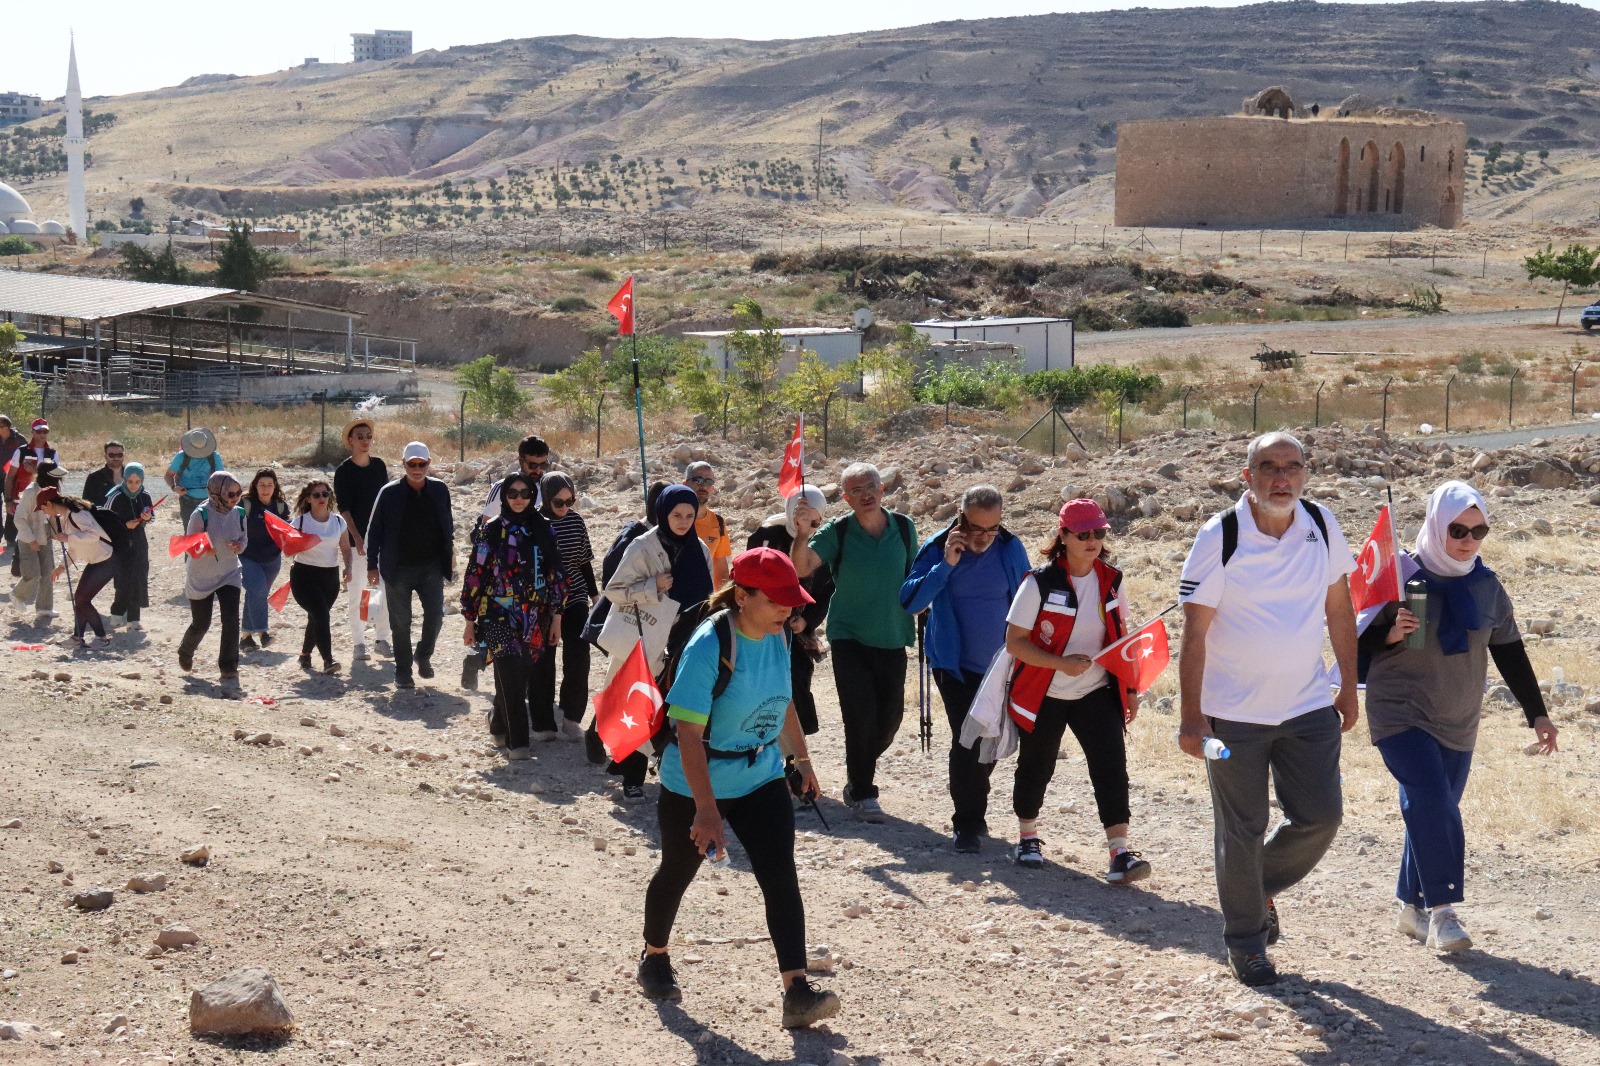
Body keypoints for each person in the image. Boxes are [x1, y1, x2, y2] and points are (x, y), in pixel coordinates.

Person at [1177, 431, 1358, 987]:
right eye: (1268, 466)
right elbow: (1195, 629)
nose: (1282, 477)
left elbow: (1339, 608)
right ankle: (1247, 943)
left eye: (1292, 466)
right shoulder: (1221, 534)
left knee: (1322, 817)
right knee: (1243, 829)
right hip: (1233, 717)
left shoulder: (1322, 524)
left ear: (1306, 473)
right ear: (1246, 476)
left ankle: (1255, 889)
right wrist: (1191, 716)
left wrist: (1349, 686)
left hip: (1307, 707)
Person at [636, 547, 841, 1030]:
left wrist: (801, 757)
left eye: (793, 602)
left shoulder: (778, 635)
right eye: (779, 601)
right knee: (676, 873)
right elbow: (687, 733)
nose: (789, 611)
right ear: (743, 596)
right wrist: (706, 812)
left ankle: (796, 991)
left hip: (760, 773)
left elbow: (783, 699)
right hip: (696, 780)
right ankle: (654, 955)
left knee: (779, 874)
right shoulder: (710, 644)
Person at [1357, 481, 1558, 953]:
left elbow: (1509, 652)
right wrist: (1389, 634)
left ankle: (1411, 906)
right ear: (1434, 524)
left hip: (1459, 716)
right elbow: (1353, 643)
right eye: (1457, 529)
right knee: (1430, 799)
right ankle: (1444, 913)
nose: (1468, 539)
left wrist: (1538, 715)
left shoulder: (1486, 586)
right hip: (1400, 711)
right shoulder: (1398, 576)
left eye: (1478, 530)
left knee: (1434, 806)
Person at [998, 499, 1152, 882]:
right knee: (1037, 765)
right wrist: (1061, 664)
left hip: (1096, 690)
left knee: (1111, 766)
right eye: (1083, 534)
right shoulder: (1038, 583)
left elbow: (1122, 638)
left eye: (1099, 533)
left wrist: (1130, 688)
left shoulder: (1112, 580)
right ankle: (1027, 837)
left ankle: (1119, 853)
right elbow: (1015, 643)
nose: (1092, 541)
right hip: (1044, 691)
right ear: (1063, 535)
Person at [900, 484, 1031, 854]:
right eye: (976, 529)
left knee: (987, 738)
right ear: (960, 519)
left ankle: (971, 796)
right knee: (968, 738)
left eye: (993, 529)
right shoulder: (938, 547)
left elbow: (1029, 599)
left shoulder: (1010, 547)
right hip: (953, 665)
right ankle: (967, 822)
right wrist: (946, 565)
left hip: (1003, 666)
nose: (985, 538)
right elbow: (910, 601)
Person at [794, 462, 917, 823]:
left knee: (890, 720)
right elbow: (802, 568)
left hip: (894, 637)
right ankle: (862, 791)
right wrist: (802, 534)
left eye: (871, 487)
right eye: (856, 491)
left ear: (882, 489)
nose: (865, 495)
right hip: (849, 638)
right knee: (860, 718)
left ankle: (859, 768)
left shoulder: (904, 528)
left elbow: (914, 579)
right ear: (846, 499)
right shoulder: (839, 532)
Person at [602, 483, 713, 800]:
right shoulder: (642, 547)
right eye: (676, 514)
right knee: (637, 705)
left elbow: (709, 598)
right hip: (645, 640)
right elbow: (613, 590)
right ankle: (632, 779)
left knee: (673, 710)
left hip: (683, 643)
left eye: (689, 515)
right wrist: (653, 586)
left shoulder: (700, 550)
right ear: (663, 513)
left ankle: (671, 776)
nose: (683, 521)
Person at [461, 472, 568, 756]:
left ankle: (498, 723)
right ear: (504, 497)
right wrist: (470, 621)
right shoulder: (491, 530)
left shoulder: (544, 529)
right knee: (508, 670)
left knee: (521, 674)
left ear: (533, 497)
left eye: (524, 494)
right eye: (512, 494)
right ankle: (517, 742)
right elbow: (475, 575)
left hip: (535, 614)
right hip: (497, 613)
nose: (519, 499)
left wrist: (556, 616)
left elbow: (556, 572)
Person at [747, 486, 835, 738]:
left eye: (815, 521)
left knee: (796, 684)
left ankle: (795, 755)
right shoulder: (767, 536)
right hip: (762, 626)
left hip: (795, 631)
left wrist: (806, 621)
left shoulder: (822, 544)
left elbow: (825, 592)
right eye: (802, 519)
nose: (808, 525)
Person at [366, 442, 454, 690]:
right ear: (403, 464)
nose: (417, 469)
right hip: (398, 569)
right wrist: (372, 565)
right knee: (400, 622)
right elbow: (375, 531)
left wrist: (450, 554)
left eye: (422, 464)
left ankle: (423, 654)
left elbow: (447, 524)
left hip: (431, 567)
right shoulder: (389, 493)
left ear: (429, 464)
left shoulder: (439, 490)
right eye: (412, 464)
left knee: (436, 615)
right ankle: (403, 671)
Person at [533, 470, 596, 742]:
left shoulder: (576, 521)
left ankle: (571, 718)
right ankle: (544, 722)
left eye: (570, 501)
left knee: (579, 659)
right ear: (546, 499)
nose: (565, 507)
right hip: (543, 603)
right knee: (543, 661)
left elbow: (583, 563)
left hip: (575, 598)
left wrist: (596, 597)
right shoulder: (533, 523)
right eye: (558, 502)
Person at [179, 471, 248, 696]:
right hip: (201, 575)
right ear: (217, 492)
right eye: (230, 493)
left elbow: (244, 538)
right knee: (202, 623)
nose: (236, 497)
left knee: (231, 619)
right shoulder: (200, 515)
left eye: (238, 492)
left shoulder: (239, 512)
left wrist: (239, 546)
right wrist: (204, 547)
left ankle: (229, 668)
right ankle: (186, 651)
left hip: (229, 572)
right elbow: (190, 546)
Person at [334, 417, 393, 661]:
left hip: (380, 538)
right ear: (350, 441)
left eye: (368, 436)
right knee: (357, 591)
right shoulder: (343, 471)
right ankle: (359, 643)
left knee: (382, 589)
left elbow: (386, 500)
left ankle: (382, 638)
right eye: (360, 437)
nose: (365, 441)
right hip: (356, 539)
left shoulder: (379, 466)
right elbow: (344, 508)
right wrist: (357, 538)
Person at [35, 487, 115, 650]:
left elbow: (93, 536)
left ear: (49, 504)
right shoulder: (66, 517)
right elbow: (74, 548)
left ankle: (102, 638)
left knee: (82, 599)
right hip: (97, 561)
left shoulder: (77, 514)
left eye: (43, 507)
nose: (43, 511)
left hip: (107, 560)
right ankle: (78, 637)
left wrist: (68, 537)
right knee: (80, 599)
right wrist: (61, 567)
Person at [289, 479, 352, 675]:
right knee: (321, 614)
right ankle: (328, 660)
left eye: (325, 494)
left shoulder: (339, 521)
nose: (322, 498)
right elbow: (287, 548)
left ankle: (305, 654)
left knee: (317, 616)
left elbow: (345, 549)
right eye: (316, 495)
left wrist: (348, 568)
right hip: (303, 576)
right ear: (308, 499)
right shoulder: (300, 522)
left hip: (329, 577)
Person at [239, 469, 289, 652]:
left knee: (256, 594)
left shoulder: (281, 506)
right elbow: (234, 525)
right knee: (258, 591)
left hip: (272, 559)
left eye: (269, 485)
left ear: (275, 487)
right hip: (247, 557)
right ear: (255, 486)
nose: (266, 489)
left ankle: (245, 638)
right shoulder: (246, 504)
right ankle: (263, 634)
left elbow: (287, 529)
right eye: (262, 485)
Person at [10, 459, 63, 627]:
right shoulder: (30, 492)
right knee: (33, 574)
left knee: (48, 573)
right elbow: (19, 519)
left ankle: (45, 607)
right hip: (29, 539)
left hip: (45, 535)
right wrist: (31, 539)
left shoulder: (53, 492)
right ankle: (18, 595)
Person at [105, 462, 154, 631]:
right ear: (124, 480)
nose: (134, 486)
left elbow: (151, 515)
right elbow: (105, 520)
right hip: (120, 543)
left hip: (139, 542)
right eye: (130, 482)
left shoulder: (145, 495)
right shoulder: (115, 496)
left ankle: (134, 618)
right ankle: (117, 614)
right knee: (123, 579)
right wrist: (125, 525)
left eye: (137, 482)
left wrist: (146, 518)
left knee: (139, 577)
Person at [478, 434, 550, 528]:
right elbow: (485, 529)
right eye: (533, 466)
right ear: (521, 461)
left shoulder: (551, 487)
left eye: (543, 465)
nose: (538, 470)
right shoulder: (502, 487)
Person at [165, 428, 225, 529]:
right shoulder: (181, 457)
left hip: (210, 501)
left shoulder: (214, 457)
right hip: (187, 500)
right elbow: (168, 475)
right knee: (190, 534)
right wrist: (174, 488)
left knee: (210, 535)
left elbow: (221, 478)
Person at [685, 461, 733, 587]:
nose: (703, 486)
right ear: (685, 484)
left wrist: (720, 602)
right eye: (698, 480)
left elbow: (721, 569)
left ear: (712, 488)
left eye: (709, 482)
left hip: (703, 600)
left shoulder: (718, 522)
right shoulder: (671, 518)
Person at [0, 415, 27, 563]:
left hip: (12, 478)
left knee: (11, 505)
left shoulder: (18, 439)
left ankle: (10, 538)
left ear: (6, 427)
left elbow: (26, 455)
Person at [82, 440, 127, 506]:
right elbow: (86, 504)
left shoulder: (132, 475)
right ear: (105, 456)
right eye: (112, 455)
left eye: (120, 455)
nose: (116, 458)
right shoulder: (94, 478)